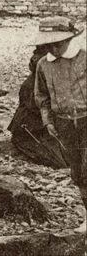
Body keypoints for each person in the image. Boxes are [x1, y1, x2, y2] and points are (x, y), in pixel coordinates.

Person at [32, 17, 87, 233]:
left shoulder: (84, 58)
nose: (54, 48)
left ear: (69, 39)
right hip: (63, 124)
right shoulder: (43, 65)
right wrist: (48, 121)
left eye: (58, 43)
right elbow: (42, 96)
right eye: (49, 44)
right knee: (78, 172)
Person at [8, 45, 65, 169]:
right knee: (63, 161)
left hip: (45, 125)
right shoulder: (34, 83)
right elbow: (42, 108)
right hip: (32, 129)